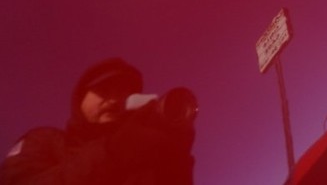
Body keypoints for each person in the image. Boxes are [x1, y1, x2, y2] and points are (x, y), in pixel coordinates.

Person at [1, 59, 194, 185]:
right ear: (79, 99)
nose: (113, 100)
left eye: (123, 93)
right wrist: (112, 152)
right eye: (104, 90)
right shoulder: (45, 140)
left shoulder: (141, 156)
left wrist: (176, 158)